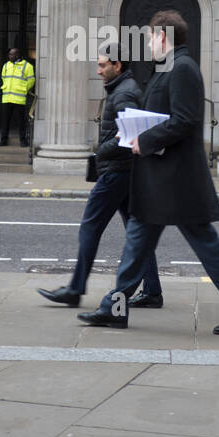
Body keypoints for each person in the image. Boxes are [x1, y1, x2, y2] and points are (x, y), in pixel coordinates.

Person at [77, 10, 219, 334]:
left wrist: (144, 140)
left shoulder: (183, 69)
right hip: (159, 179)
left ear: (163, 36)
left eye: (150, 37)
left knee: (206, 246)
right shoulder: (169, 68)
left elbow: (185, 120)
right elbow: (167, 115)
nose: (148, 43)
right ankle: (115, 308)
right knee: (136, 244)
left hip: (178, 181)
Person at [38, 44, 162, 309]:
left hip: (116, 172)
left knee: (90, 227)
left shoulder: (124, 94)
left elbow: (129, 136)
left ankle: (75, 289)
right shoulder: (122, 90)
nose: (98, 70)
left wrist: (100, 153)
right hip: (124, 173)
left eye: (103, 65)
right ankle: (152, 291)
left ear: (118, 65)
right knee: (137, 232)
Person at [0, 47, 34, 147]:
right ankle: (3, 140)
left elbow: (31, 80)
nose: (10, 56)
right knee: (5, 121)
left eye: (12, 54)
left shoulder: (27, 66)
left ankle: (23, 141)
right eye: (9, 54)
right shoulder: (6, 66)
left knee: (21, 122)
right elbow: (3, 78)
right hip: (7, 98)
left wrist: (23, 89)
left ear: (17, 55)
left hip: (19, 99)